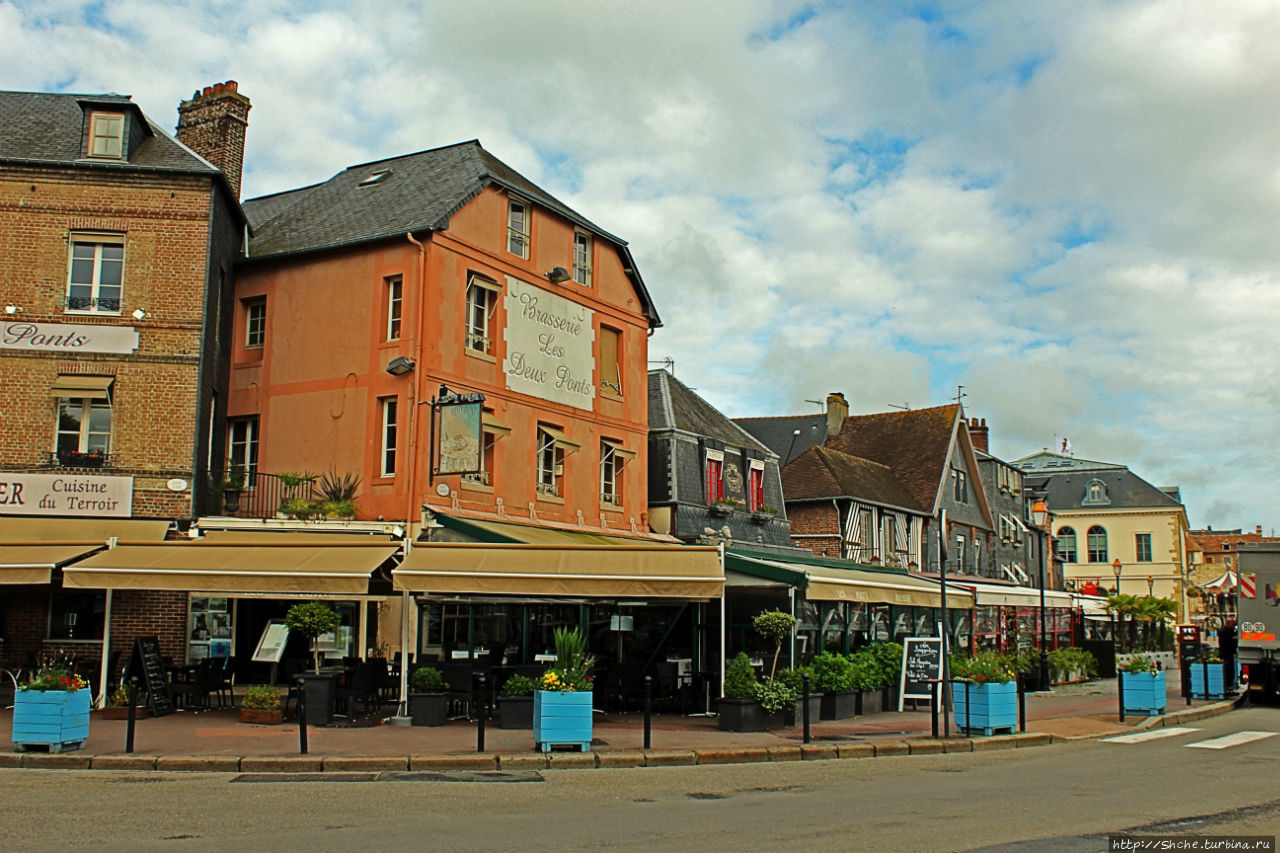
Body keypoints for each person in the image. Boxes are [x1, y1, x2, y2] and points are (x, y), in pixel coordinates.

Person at [1218, 619, 1238, 691]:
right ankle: (1227, 685)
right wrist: (1233, 639)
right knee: (1228, 670)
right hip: (1226, 653)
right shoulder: (1224, 632)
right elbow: (1225, 642)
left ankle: (1229, 685)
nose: (1234, 626)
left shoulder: (1230, 631)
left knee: (1230, 670)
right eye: (1233, 624)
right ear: (1228, 624)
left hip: (1229, 653)